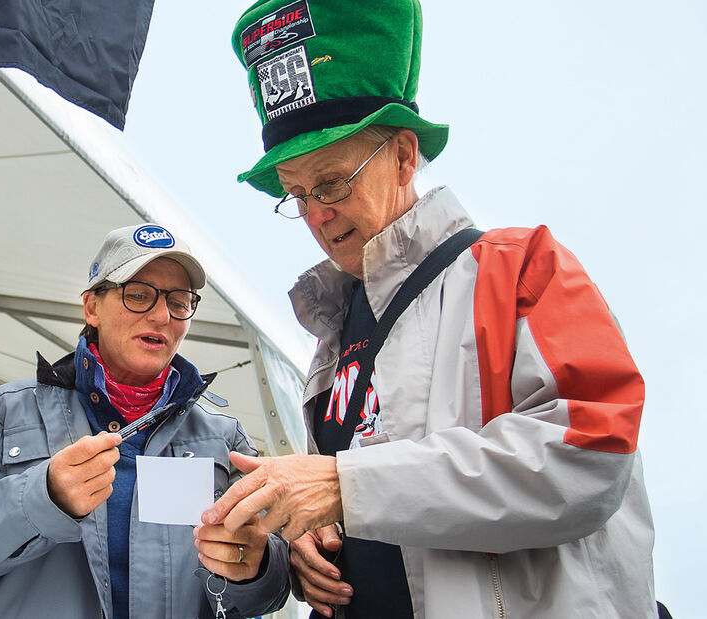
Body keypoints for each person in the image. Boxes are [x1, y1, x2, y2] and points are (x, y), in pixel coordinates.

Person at [202, 1, 656, 618]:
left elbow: (591, 455)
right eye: (295, 193)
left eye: (332, 182)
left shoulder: (522, 266)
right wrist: (306, 539)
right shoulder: (335, 329)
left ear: (404, 155)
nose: (313, 215)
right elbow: (373, 518)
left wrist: (343, 486)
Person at [0, 224, 291, 617]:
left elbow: (269, 594)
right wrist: (43, 497)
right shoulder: (3, 414)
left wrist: (256, 569)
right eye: (139, 295)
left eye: (179, 302)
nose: (162, 316)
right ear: (92, 307)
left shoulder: (224, 439)